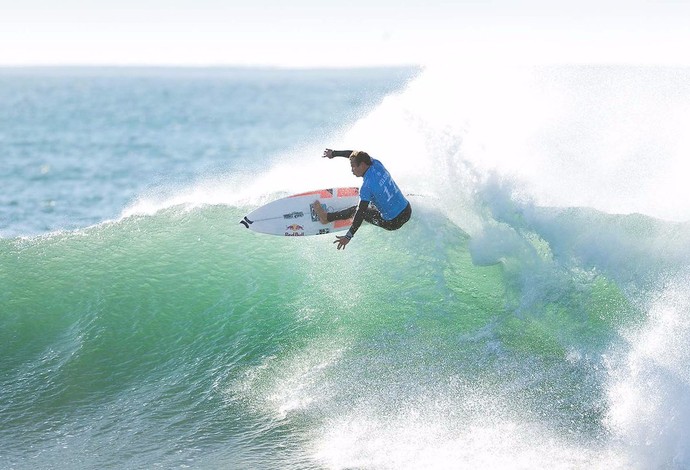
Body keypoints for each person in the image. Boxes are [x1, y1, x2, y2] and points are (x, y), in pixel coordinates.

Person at [314, 148, 411, 250]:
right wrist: (333, 153)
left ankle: (326, 217)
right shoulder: (377, 164)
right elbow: (353, 154)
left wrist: (348, 236)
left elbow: (360, 213)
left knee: (356, 210)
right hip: (407, 210)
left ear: (363, 165)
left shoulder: (366, 186)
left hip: (393, 222)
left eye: (353, 167)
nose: (352, 170)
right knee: (378, 195)